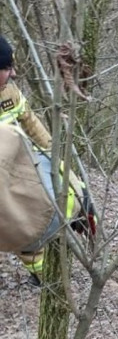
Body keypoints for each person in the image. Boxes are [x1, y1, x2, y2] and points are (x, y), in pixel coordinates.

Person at [0, 34, 51, 282]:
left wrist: (54, 154)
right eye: (7, 68)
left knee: (24, 227)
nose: (13, 73)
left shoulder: (10, 92)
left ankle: (43, 277)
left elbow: (31, 123)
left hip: (17, 173)